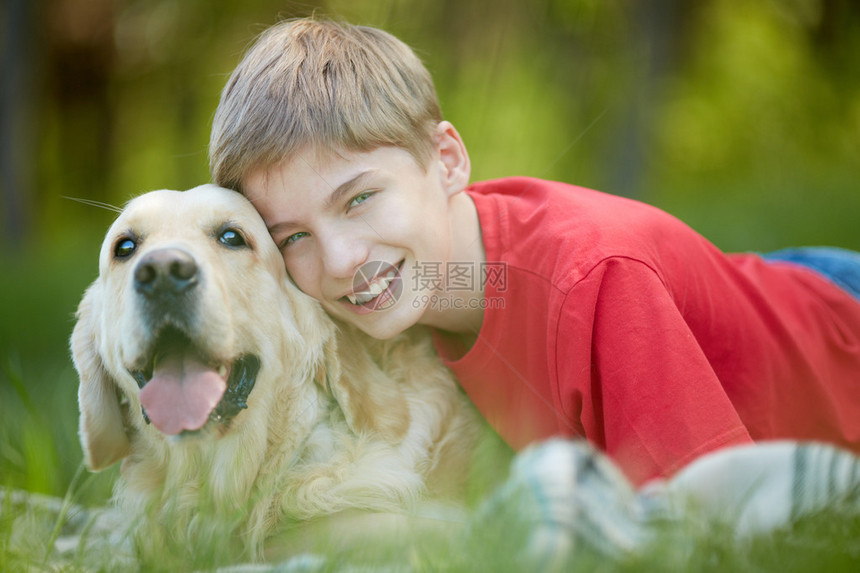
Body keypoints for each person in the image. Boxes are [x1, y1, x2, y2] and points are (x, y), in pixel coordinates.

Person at [208, 17, 860, 485]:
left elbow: (717, 520)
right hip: (774, 288)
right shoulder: (390, 292)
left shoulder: (591, 284)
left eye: (358, 199)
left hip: (839, 342)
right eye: (293, 236)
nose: (343, 258)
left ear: (446, 160)